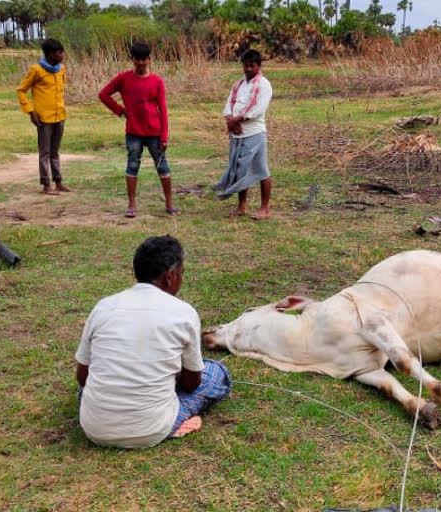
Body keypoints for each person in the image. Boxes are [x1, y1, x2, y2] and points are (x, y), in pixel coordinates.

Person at [75, 235, 232, 449]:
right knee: (216, 373)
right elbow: (191, 383)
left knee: (96, 387)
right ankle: (173, 420)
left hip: (94, 426)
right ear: (169, 276)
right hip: (150, 429)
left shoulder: (104, 307)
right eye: (181, 274)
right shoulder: (183, 313)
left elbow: (83, 378)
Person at [98, 42, 178, 218]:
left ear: (149, 59)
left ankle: (169, 203)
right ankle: (132, 204)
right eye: (137, 59)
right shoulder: (123, 79)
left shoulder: (157, 81)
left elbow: (163, 110)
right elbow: (103, 94)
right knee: (132, 165)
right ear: (132, 59)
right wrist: (120, 110)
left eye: (144, 59)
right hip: (133, 132)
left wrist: (164, 136)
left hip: (155, 133)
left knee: (162, 166)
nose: (141, 62)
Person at [213, 49, 273, 220]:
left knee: (262, 171)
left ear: (258, 66)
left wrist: (237, 120)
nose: (248, 69)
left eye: (251, 66)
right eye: (245, 66)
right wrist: (230, 121)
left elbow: (258, 109)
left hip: (254, 133)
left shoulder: (264, 85)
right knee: (241, 170)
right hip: (237, 134)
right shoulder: (239, 84)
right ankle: (242, 206)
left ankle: (265, 208)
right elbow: (228, 105)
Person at [16, 38, 70, 196]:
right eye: (59, 52)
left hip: (59, 115)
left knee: (55, 151)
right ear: (51, 54)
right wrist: (30, 111)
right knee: (44, 152)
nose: (62, 55)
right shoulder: (36, 70)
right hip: (43, 118)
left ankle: (58, 182)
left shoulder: (61, 69)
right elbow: (21, 90)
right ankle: (46, 184)